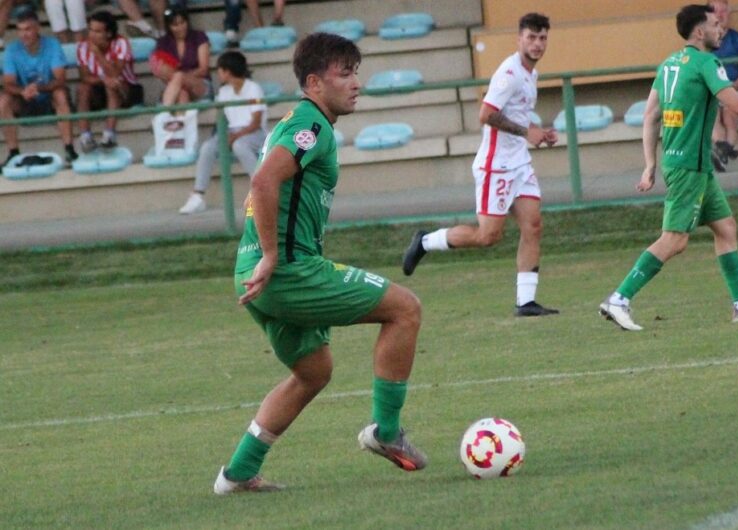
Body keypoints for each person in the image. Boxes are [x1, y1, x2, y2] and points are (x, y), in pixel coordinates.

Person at [212, 32, 427, 495]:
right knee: (405, 308)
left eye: (356, 72)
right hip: (287, 271)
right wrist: (273, 255)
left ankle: (237, 474)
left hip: (252, 274)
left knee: (314, 372)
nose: (356, 82)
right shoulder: (310, 126)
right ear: (313, 82)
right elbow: (264, 181)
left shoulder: (300, 122)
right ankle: (386, 433)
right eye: (344, 73)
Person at [599, 4, 738, 331]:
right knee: (675, 240)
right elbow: (737, 105)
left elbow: (650, 116)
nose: (720, 30)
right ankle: (619, 299)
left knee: (726, 226)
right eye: (715, 25)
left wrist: (650, 165)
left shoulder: (669, 64)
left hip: (692, 165)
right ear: (700, 31)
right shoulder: (707, 62)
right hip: (689, 166)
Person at [401, 12, 559, 318]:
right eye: (531, 37)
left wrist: (538, 133)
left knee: (533, 225)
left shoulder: (531, 73)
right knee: (488, 236)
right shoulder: (509, 73)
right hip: (496, 166)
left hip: (519, 163)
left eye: (542, 38)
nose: (537, 44)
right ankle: (425, 241)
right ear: (519, 39)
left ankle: (525, 302)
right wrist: (529, 132)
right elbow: (486, 114)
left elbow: (515, 114)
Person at [178, 51, 266, 214]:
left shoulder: (253, 88)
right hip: (232, 132)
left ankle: (262, 192)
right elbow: (222, 120)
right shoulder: (224, 92)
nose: (218, 74)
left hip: (255, 133)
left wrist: (235, 136)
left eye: (219, 70)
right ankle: (198, 195)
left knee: (240, 146)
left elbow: (256, 123)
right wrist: (224, 136)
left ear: (228, 71)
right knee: (207, 148)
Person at [0, 8, 78, 165]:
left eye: (28, 29)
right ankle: (13, 152)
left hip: (48, 97)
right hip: (24, 100)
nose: (24, 34)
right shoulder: (11, 50)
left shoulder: (53, 45)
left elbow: (60, 79)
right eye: (20, 30)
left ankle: (69, 148)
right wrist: (23, 91)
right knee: (3, 101)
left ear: (37, 29)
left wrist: (37, 88)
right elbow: (8, 83)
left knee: (60, 94)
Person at [75, 10, 143, 151]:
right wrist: (102, 80)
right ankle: (85, 136)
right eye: (90, 30)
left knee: (112, 84)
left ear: (109, 33)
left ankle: (109, 134)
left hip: (126, 89)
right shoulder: (82, 46)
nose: (92, 35)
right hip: (100, 89)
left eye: (97, 32)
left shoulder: (121, 43)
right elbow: (84, 77)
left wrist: (98, 54)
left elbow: (115, 73)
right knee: (82, 88)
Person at [708, 0, 738, 171]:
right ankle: (725, 151)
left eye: (723, 11)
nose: (719, 15)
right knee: (711, 117)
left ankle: (722, 153)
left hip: (737, 90)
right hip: (713, 92)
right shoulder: (704, 42)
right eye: (714, 11)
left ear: (729, 13)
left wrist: (731, 90)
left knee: (729, 118)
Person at [151, 6, 211, 107]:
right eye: (175, 25)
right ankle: (180, 122)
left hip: (201, 85)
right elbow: (162, 72)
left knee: (178, 76)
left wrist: (181, 76)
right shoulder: (163, 43)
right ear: (169, 27)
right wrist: (177, 79)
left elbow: (203, 69)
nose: (180, 27)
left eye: (182, 22)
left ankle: (163, 112)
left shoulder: (199, 36)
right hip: (177, 87)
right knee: (182, 94)